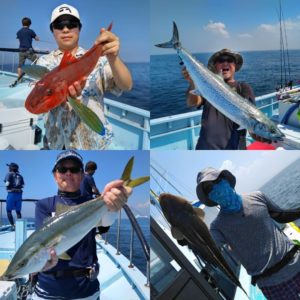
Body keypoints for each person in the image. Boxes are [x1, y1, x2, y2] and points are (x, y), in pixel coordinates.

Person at [31, 150, 132, 300]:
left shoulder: (92, 202)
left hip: (85, 289)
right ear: (55, 175)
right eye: (62, 169)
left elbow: (104, 225)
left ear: (82, 175)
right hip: (48, 289)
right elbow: (41, 243)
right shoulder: (44, 205)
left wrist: (112, 207)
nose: (68, 173)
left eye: (74, 169)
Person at [36, 4, 132, 150]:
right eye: (59, 25)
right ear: (52, 30)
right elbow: (38, 102)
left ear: (79, 28)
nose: (66, 29)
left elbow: (126, 85)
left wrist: (113, 58)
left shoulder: (98, 59)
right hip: (54, 141)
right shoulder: (43, 63)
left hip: (93, 144)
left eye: (71, 24)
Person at [196, 167, 300, 299]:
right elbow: (209, 251)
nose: (215, 187)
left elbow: (281, 216)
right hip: (272, 285)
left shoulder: (257, 196)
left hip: (296, 262)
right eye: (209, 188)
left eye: (217, 180)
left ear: (226, 179)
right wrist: (188, 237)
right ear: (209, 197)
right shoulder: (217, 227)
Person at [183, 48, 259, 150]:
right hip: (205, 147)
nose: (225, 63)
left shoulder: (243, 87)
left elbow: (252, 120)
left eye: (229, 60)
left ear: (235, 65)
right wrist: (192, 82)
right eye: (221, 60)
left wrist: (259, 134)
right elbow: (192, 103)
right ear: (215, 66)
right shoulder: (206, 85)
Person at [11, 17, 40, 87]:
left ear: (22, 23)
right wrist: (35, 38)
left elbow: (20, 40)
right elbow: (37, 39)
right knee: (38, 61)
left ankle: (19, 80)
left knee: (20, 65)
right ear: (29, 24)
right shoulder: (31, 31)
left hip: (21, 50)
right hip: (29, 51)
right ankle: (38, 78)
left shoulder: (18, 32)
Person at [3, 163, 25, 229]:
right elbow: (23, 185)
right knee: (18, 211)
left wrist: (7, 185)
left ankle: (13, 225)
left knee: (8, 211)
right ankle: (19, 226)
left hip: (11, 194)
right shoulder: (20, 176)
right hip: (19, 195)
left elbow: (7, 184)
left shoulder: (9, 174)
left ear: (10, 168)